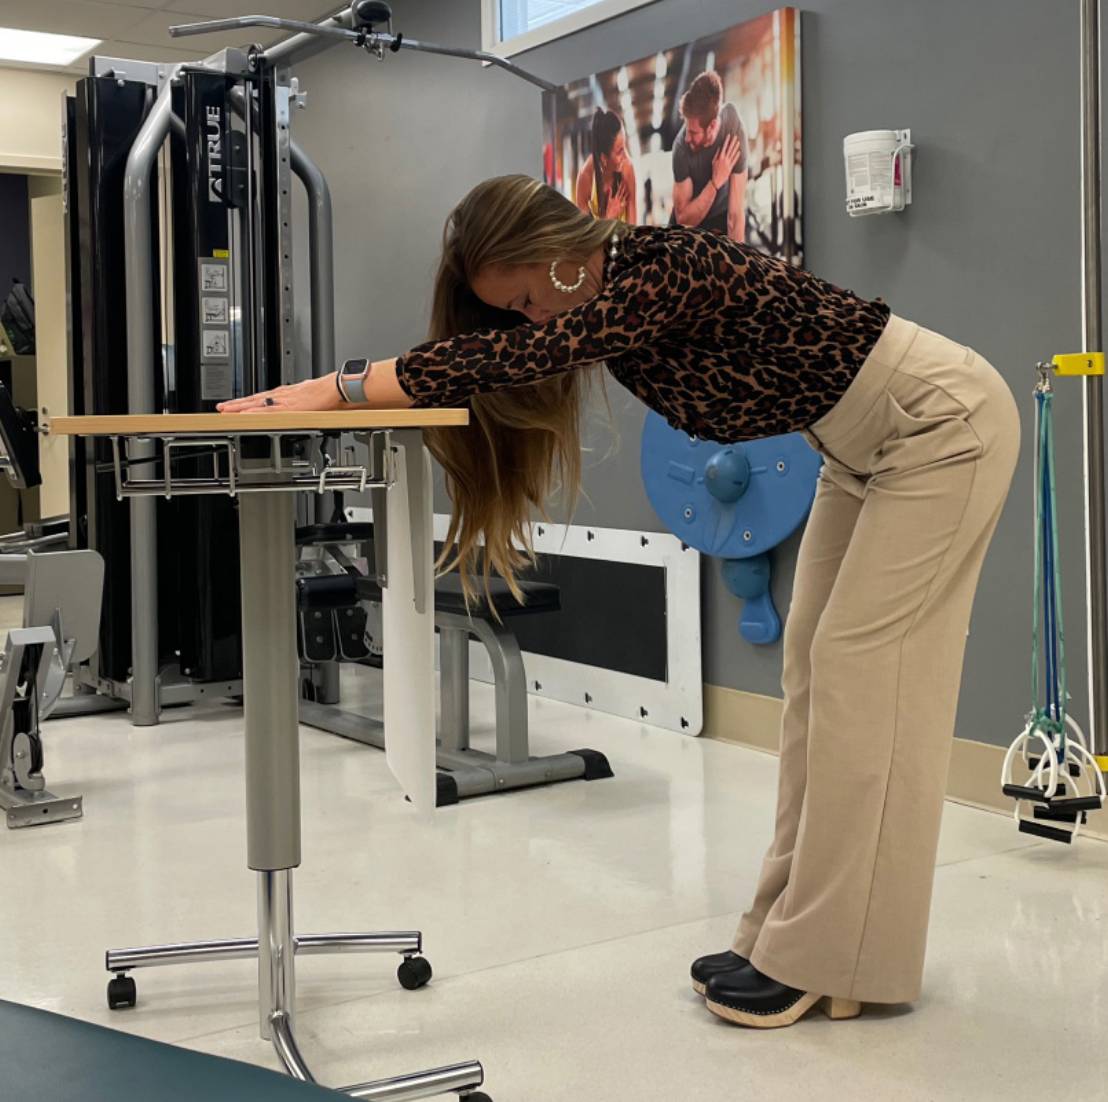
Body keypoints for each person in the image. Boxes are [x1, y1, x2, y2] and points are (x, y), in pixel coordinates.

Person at [220, 175, 1020, 1029]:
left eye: (525, 297)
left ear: (557, 258)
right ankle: (784, 934)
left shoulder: (657, 266)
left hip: (940, 428)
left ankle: (836, 956)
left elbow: (512, 360)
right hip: (858, 450)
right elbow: (513, 357)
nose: (528, 321)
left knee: (865, 674)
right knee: (815, 679)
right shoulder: (615, 306)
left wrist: (337, 386)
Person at [670, 70, 748, 240]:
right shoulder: (680, 148)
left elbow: (735, 215)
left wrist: (740, 265)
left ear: (712, 126)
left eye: (693, 132)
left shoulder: (732, 125)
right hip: (687, 230)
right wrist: (715, 183)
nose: (687, 137)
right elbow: (683, 220)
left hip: (719, 218)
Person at [575, 107, 637, 223]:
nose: (625, 156)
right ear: (603, 158)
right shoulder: (585, 177)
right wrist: (609, 218)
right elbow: (584, 237)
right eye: (619, 151)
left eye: (625, 147)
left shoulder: (627, 168)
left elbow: (633, 231)